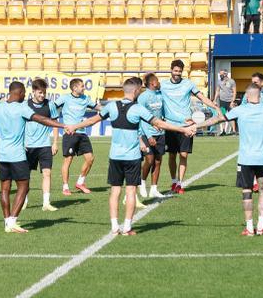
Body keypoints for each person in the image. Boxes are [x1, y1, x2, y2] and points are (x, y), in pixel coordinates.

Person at [66, 77, 196, 235]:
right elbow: (159, 124)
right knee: (130, 191)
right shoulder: (138, 109)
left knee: (115, 191)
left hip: (115, 156)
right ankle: (127, 226)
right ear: (135, 91)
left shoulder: (111, 106)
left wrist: (74, 126)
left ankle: (114, 226)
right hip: (132, 157)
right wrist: (183, 129)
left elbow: (92, 120)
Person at [193, 83, 263, 236]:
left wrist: (196, 126)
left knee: (247, 191)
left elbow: (217, 119)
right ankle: (260, 226)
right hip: (262, 159)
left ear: (247, 96)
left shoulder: (239, 110)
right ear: (259, 96)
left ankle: (249, 228)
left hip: (245, 159)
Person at [0, 81, 66, 233]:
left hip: (3, 155)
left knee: (5, 188)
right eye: (24, 93)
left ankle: (7, 221)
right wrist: (62, 126)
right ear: (18, 93)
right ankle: (12, 221)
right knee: (24, 185)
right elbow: (40, 118)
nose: (25, 95)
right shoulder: (22, 108)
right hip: (17, 155)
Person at [161, 59, 222, 194]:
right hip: (170, 126)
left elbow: (202, 98)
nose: (177, 73)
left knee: (183, 155)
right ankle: (173, 181)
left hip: (187, 125)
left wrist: (215, 107)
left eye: (179, 71)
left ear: (182, 72)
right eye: (175, 71)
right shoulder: (163, 85)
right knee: (171, 155)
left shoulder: (188, 84)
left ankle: (180, 184)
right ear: (171, 70)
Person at [54, 78, 101, 196]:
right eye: (82, 86)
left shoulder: (85, 99)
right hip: (70, 133)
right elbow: (52, 107)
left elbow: (98, 107)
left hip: (82, 132)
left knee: (90, 158)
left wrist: (110, 109)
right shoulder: (64, 98)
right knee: (68, 160)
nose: (84, 88)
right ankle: (65, 186)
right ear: (74, 88)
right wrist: (60, 123)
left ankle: (80, 182)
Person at [24, 79, 61, 212]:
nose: (42, 95)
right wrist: (21, 143)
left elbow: (55, 124)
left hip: (45, 145)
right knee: (25, 175)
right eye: (40, 92)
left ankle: (46, 203)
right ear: (33, 91)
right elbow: (20, 125)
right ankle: (24, 201)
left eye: (44, 93)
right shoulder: (25, 105)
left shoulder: (50, 105)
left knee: (47, 173)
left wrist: (55, 142)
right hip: (28, 146)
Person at [138, 73, 167, 200]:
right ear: (152, 83)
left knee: (158, 161)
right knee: (149, 159)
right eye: (157, 81)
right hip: (147, 132)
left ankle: (154, 189)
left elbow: (162, 113)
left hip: (160, 133)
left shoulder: (160, 95)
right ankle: (142, 182)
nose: (159, 82)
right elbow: (142, 118)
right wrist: (149, 135)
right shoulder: (143, 97)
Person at [214, 69, 237, 135]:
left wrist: (233, 101)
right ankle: (223, 131)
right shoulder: (219, 82)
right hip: (222, 101)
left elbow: (234, 92)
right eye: (220, 74)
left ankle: (234, 131)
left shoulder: (232, 81)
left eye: (221, 74)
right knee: (223, 115)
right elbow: (217, 91)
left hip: (230, 101)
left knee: (231, 116)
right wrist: (215, 100)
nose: (220, 75)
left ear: (225, 74)